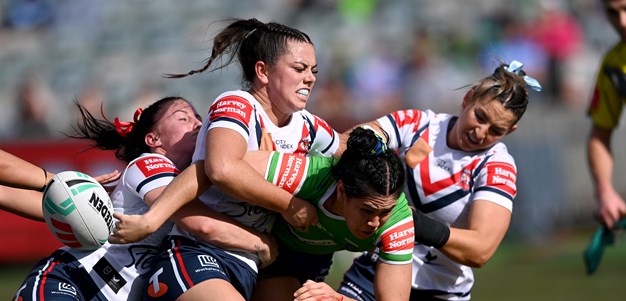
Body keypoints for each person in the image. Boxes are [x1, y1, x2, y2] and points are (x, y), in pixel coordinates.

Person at [108, 18, 340, 301]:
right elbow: (220, 169)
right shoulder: (237, 104)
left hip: (248, 266)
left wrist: (393, 132)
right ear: (263, 71)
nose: (311, 78)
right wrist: (289, 205)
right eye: (299, 68)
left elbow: (350, 150)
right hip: (196, 254)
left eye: (313, 70)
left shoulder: (308, 125)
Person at [13, 97, 276, 301]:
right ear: (154, 139)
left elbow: (58, 208)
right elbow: (199, 223)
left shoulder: (192, 184)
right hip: (75, 281)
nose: (197, 123)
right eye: (183, 117)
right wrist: (262, 244)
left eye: (198, 118)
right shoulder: (151, 164)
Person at [110, 127, 415, 301]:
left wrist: (338, 298)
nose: (376, 222)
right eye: (367, 211)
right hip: (268, 254)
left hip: (305, 263)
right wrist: (151, 220)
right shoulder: (306, 175)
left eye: (385, 212)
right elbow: (212, 168)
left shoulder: (397, 221)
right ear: (341, 192)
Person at [336, 60, 541, 300]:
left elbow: (481, 249)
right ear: (468, 98)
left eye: (496, 130)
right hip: (376, 269)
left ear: (511, 131)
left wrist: (409, 220)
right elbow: (350, 142)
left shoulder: (497, 166)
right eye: (480, 116)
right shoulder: (420, 125)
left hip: (440, 291)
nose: (481, 132)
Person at [586, 0, 626, 230]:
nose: (622, 22)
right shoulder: (613, 65)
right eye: (613, 13)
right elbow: (600, 134)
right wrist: (605, 190)